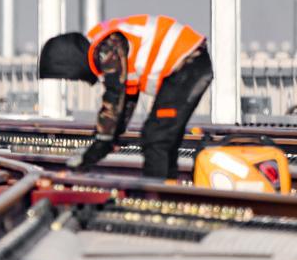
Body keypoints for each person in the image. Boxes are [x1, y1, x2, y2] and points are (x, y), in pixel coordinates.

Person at [39, 14, 213, 179]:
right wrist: (106, 142)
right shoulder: (108, 47)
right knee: (163, 136)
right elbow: (125, 103)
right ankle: (167, 188)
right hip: (190, 64)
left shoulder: (107, 45)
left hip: (188, 63)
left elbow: (115, 94)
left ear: (72, 63)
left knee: (156, 137)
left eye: (72, 77)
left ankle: (157, 194)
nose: (77, 80)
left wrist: (101, 141)